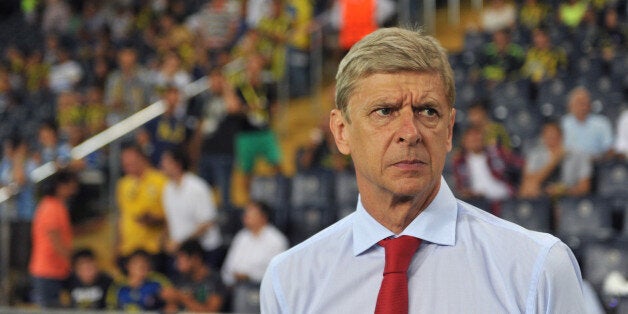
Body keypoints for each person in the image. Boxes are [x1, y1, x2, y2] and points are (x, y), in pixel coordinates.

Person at [260, 27, 585, 313]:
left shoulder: (537, 269)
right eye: (384, 111)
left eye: (428, 111)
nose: (410, 132)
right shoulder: (288, 282)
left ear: (448, 130)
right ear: (342, 131)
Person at [160, 148, 223, 270]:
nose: (162, 164)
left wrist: (181, 243)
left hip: (204, 250)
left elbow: (207, 223)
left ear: (177, 164)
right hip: (180, 250)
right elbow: (170, 219)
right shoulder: (167, 189)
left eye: (166, 161)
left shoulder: (197, 187)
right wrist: (165, 241)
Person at [115, 142, 169, 273]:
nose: (127, 165)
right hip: (128, 248)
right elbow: (122, 216)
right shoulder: (123, 184)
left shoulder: (161, 181)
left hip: (153, 248)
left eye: (131, 161)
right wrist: (117, 245)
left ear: (143, 158)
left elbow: (171, 216)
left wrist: (154, 221)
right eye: (124, 163)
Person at [29, 169, 79, 308]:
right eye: (71, 185)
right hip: (48, 270)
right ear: (60, 186)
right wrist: (71, 259)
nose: (74, 190)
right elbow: (55, 239)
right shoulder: (51, 207)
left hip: (55, 269)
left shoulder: (56, 206)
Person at [221, 200, 288, 288]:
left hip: (261, 288)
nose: (245, 216)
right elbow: (228, 267)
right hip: (236, 287)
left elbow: (277, 273)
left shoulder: (276, 240)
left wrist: (249, 276)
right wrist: (232, 278)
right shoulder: (241, 236)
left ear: (263, 217)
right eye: (246, 212)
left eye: (251, 212)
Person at [519, 121, 592, 198]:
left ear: (562, 136)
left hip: (568, 195)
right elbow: (529, 182)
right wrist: (554, 161)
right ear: (543, 137)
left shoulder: (579, 156)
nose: (551, 138)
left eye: (554, 135)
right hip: (543, 195)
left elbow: (585, 188)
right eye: (548, 136)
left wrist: (562, 191)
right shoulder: (536, 155)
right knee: (528, 188)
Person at [452, 126, 522, 203]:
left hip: (504, 197)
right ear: (464, 142)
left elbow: (519, 163)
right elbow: (460, 188)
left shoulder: (496, 152)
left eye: (477, 137)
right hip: (478, 202)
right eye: (471, 139)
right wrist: (468, 193)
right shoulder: (460, 162)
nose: (475, 141)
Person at [162, 239, 227, 312]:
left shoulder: (215, 280)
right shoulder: (180, 280)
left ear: (195, 258)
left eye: (181, 259)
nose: (177, 265)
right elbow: (170, 309)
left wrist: (181, 297)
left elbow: (211, 311)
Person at [106, 249, 176, 311]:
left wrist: (170, 305)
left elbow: (174, 297)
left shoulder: (157, 280)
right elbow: (111, 307)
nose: (141, 266)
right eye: (136, 263)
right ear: (128, 266)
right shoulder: (118, 285)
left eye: (144, 263)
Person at [560, 86, 614, 159]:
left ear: (589, 105)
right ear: (570, 106)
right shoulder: (563, 123)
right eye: (578, 103)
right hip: (570, 162)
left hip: (596, 162)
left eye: (584, 103)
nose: (581, 107)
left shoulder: (601, 123)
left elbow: (609, 149)